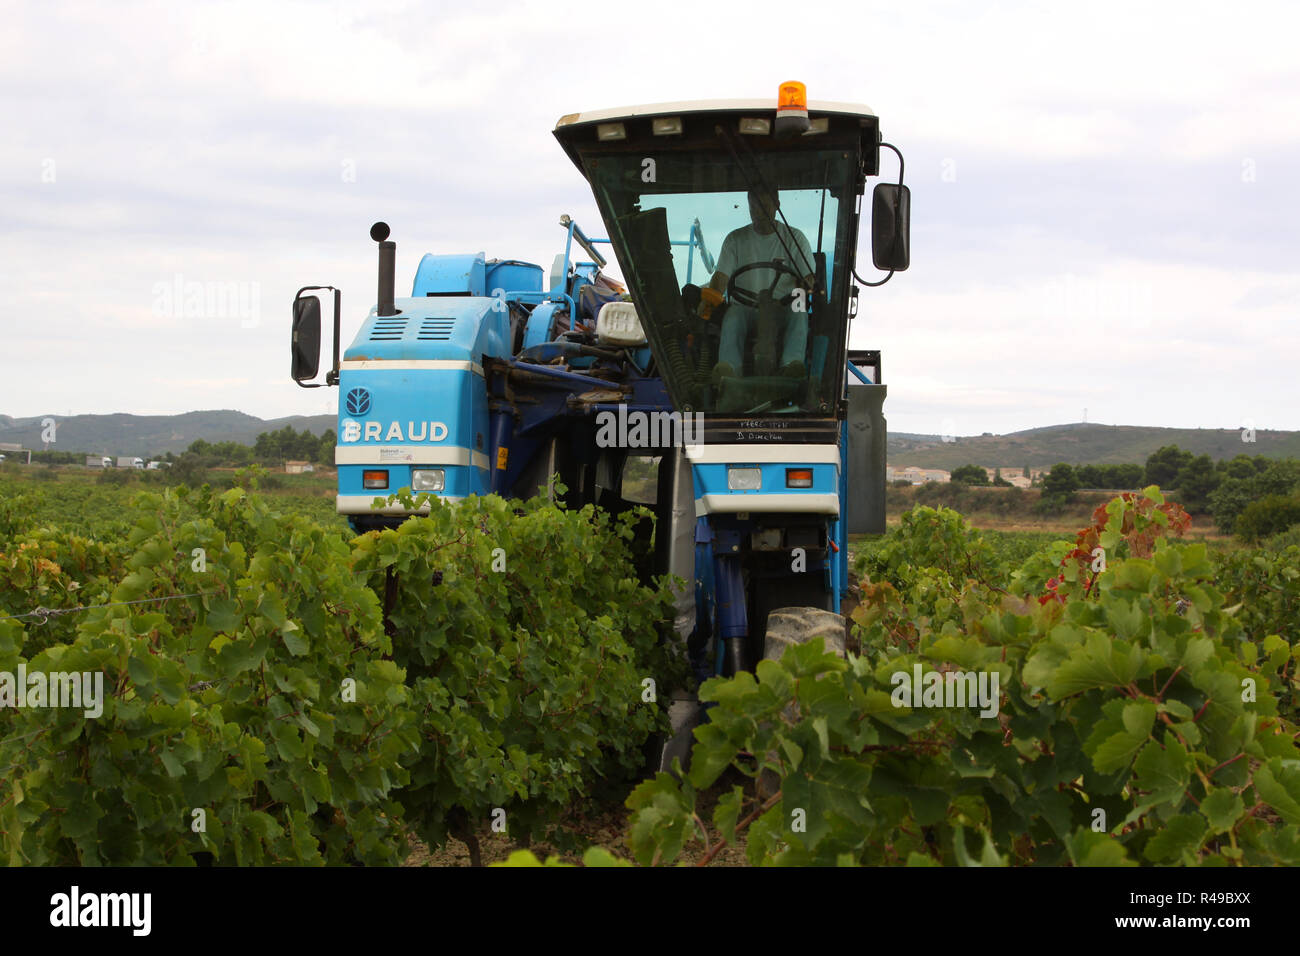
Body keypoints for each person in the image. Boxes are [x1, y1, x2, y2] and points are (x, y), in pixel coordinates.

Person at [698, 187, 815, 381]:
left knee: (799, 306)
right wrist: (708, 300)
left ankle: (791, 367)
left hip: (783, 309)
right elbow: (720, 279)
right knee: (732, 314)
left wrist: (804, 284)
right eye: (754, 207)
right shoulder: (735, 239)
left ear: (777, 206)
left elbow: (809, 279)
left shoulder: (794, 239)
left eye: (765, 206)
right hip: (747, 309)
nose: (759, 213)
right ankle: (728, 372)